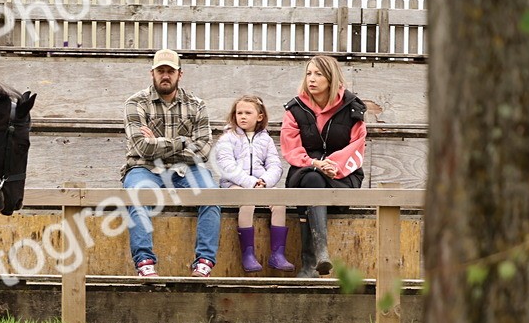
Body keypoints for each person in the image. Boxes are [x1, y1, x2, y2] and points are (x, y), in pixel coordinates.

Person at [122, 49, 220, 278]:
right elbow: (142, 148)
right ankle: (144, 262)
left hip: (187, 170)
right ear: (152, 73)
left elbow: (204, 150)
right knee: (137, 194)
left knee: (212, 195)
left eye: (170, 71)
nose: (165, 75)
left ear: (179, 74)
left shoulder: (197, 104)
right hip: (144, 167)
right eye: (160, 71)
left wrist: (157, 143)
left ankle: (204, 262)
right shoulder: (135, 102)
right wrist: (183, 141)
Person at [279, 55, 366, 278]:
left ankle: (310, 264)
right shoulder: (295, 108)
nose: (312, 79)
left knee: (313, 181)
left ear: (331, 78)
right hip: (305, 171)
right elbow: (290, 148)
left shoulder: (352, 107)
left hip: (343, 176)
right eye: (309, 73)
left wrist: (334, 166)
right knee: (311, 178)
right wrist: (314, 163)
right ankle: (320, 254)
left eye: (318, 74)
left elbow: (357, 145)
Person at [214, 95, 292, 273]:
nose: (242, 116)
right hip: (233, 184)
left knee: (279, 202)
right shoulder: (227, 138)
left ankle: (277, 254)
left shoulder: (266, 140)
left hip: (260, 184)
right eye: (239, 113)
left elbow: (275, 165)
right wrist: (251, 183)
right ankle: (248, 254)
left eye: (248, 113)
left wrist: (264, 181)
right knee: (248, 201)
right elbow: (227, 166)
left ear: (259, 116)